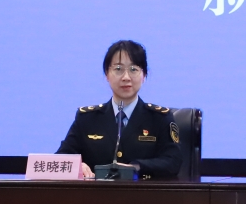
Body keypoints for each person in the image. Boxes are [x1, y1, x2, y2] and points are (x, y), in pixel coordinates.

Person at [57, 40, 182, 180]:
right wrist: (76, 166)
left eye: (133, 69)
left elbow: (173, 162)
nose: (126, 77)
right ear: (106, 74)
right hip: (95, 193)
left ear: (144, 75)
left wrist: (137, 167)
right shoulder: (87, 118)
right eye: (118, 69)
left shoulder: (160, 118)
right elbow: (61, 158)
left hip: (143, 192)